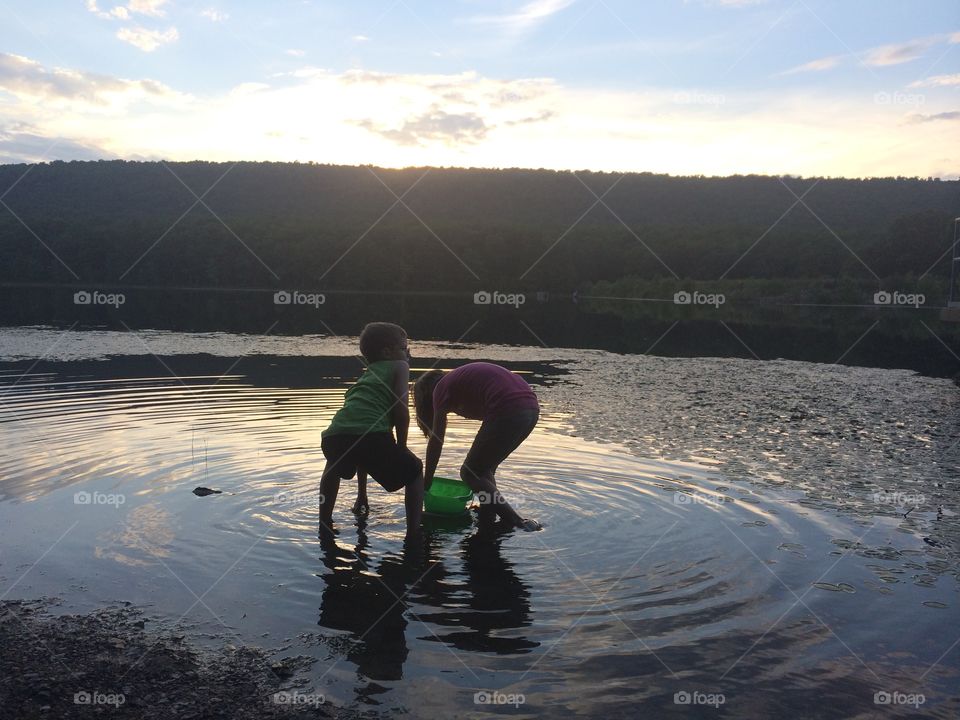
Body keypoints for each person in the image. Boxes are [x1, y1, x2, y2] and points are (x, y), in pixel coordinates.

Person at [319, 322, 423, 539]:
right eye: (405, 348)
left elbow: (361, 450)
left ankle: (324, 522)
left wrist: (362, 495)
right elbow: (401, 411)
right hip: (371, 437)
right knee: (415, 470)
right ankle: (414, 533)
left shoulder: (368, 376)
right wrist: (402, 448)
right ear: (387, 352)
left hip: (334, 436)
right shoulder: (400, 367)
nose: (408, 354)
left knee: (333, 464)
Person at [414, 362, 541, 531]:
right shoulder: (458, 383)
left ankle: (519, 522)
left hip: (509, 407)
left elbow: (436, 441)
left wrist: (426, 483)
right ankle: (488, 510)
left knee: (469, 472)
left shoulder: (440, 389)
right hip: (531, 409)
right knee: (484, 468)